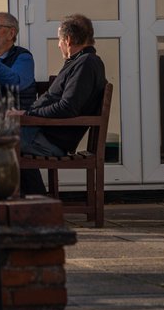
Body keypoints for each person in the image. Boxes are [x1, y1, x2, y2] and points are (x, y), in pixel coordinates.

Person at [15, 13, 106, 195]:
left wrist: (27, 116)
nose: (58, 44)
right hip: (41, 133)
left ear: (68, 40)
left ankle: (35, 203)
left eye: (59, 40)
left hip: (50, 141)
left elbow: (67, 107)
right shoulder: (78, 62)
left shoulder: (86, 64)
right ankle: (37, 201)